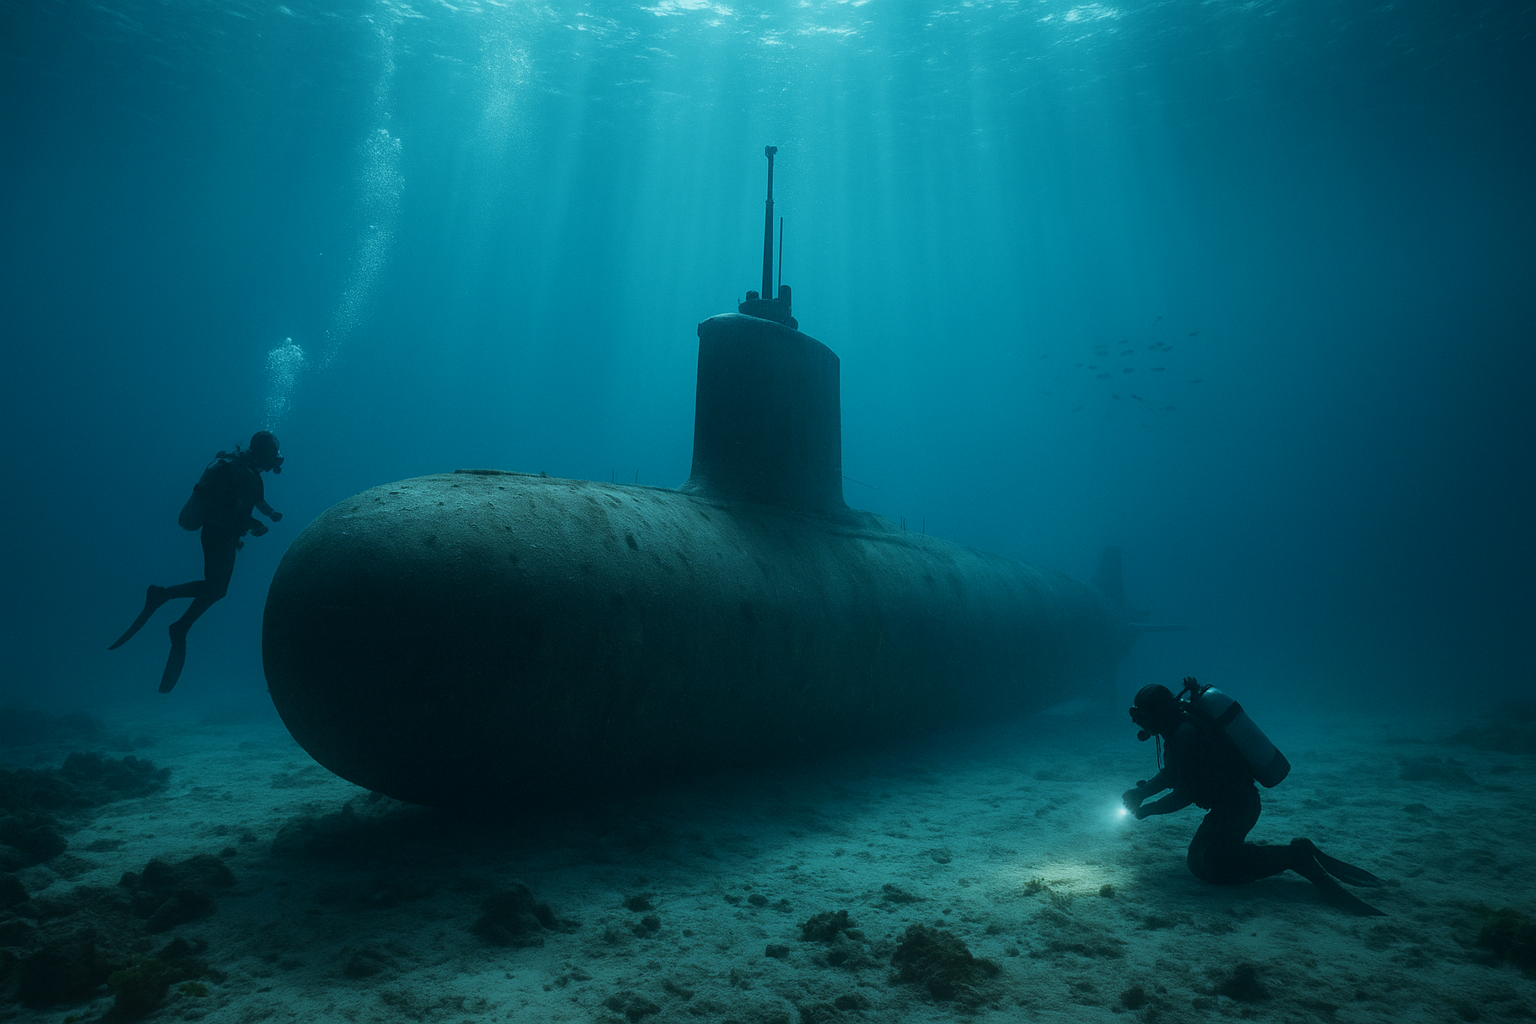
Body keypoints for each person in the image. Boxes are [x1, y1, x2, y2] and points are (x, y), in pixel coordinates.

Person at [1121, 678, 1386, 916]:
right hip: (1232, 805)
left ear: (1157, 714)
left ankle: (1296, 857)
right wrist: (1142, 792)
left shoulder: (1186, 735)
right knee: (1201, 860)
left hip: (1237, 807)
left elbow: (1185, 793)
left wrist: (1148, 809)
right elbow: (1173, 774)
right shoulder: (1181, 730)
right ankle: (1297, 852)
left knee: (1210, 867)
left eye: (1142, 715)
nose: (1140, 722)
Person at [109, 431, 286, 693]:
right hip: (219, 533)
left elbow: (255, 500)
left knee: (216, 587)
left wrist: (270, 514)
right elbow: (233, 508)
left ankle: (175, 617)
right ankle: (169, 608)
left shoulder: (241, 468)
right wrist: (255, 524)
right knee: (217, 588)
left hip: (219, 533)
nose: (275, 461)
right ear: (263, 453)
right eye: (272, 454)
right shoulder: (244, 472)